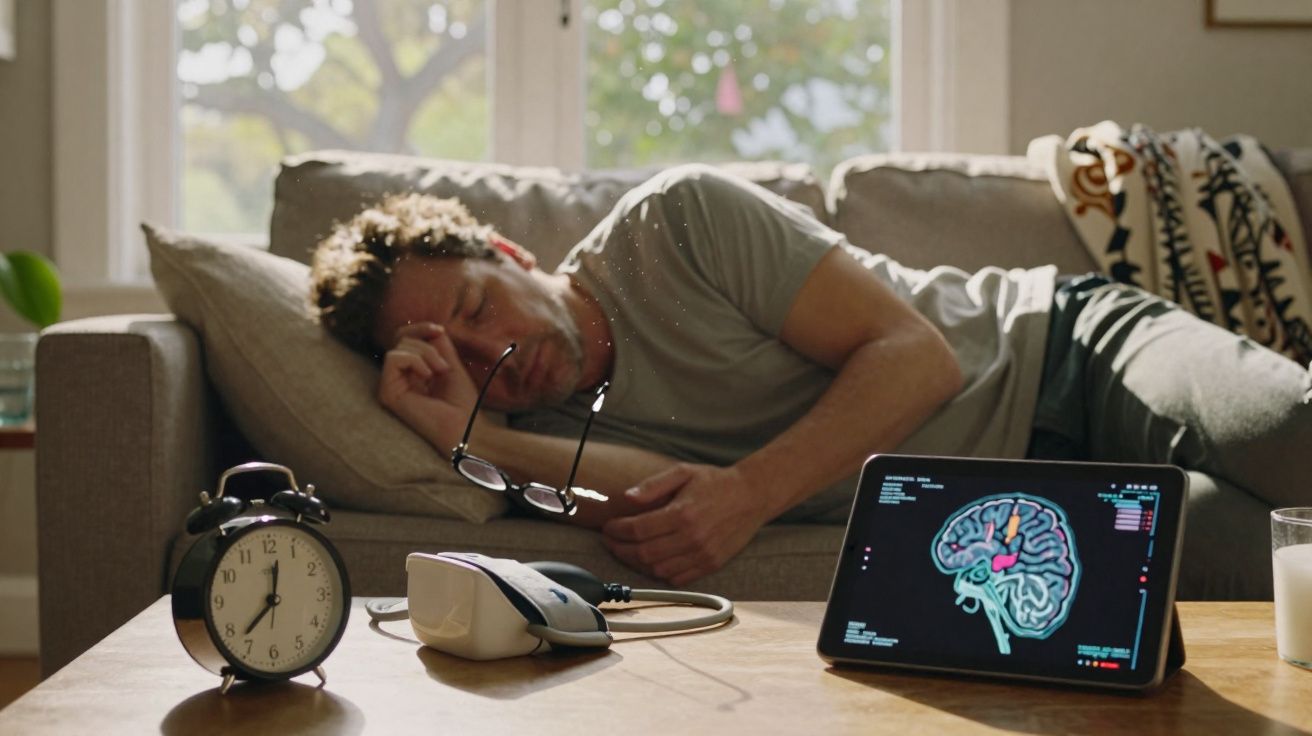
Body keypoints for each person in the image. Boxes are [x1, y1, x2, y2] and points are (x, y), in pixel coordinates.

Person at [310, 164, 1312, 586]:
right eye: (461, 360)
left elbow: (914, 357)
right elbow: (647, 503)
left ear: (512, 255)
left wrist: (750, 491)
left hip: (1065, 351)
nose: (495, 357)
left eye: (479, 310)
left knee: (1293, 433)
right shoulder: (548, 433)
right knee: (1260, 562)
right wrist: (463, 433)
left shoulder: (678, 222)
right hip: (1020, 505)